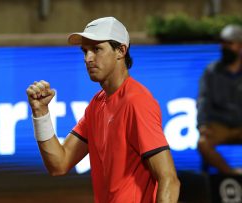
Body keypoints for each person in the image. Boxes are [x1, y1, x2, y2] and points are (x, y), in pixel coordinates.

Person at [26, 16, 180, 202]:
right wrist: (40, 113)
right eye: (85, 51)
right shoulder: (97, 105)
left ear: (121, 51)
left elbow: (169, 179)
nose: (88, 58)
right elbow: (59, 164)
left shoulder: (136, 102)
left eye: (97, 49)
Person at [197, 24, 242, 175]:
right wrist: (202, 124)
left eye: (230, 44)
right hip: (220, 125)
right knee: (203, 143)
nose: (224, 47)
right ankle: (232, 175)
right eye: (223, 43)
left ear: (240, 46)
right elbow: (203, 99)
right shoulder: (211, 71)